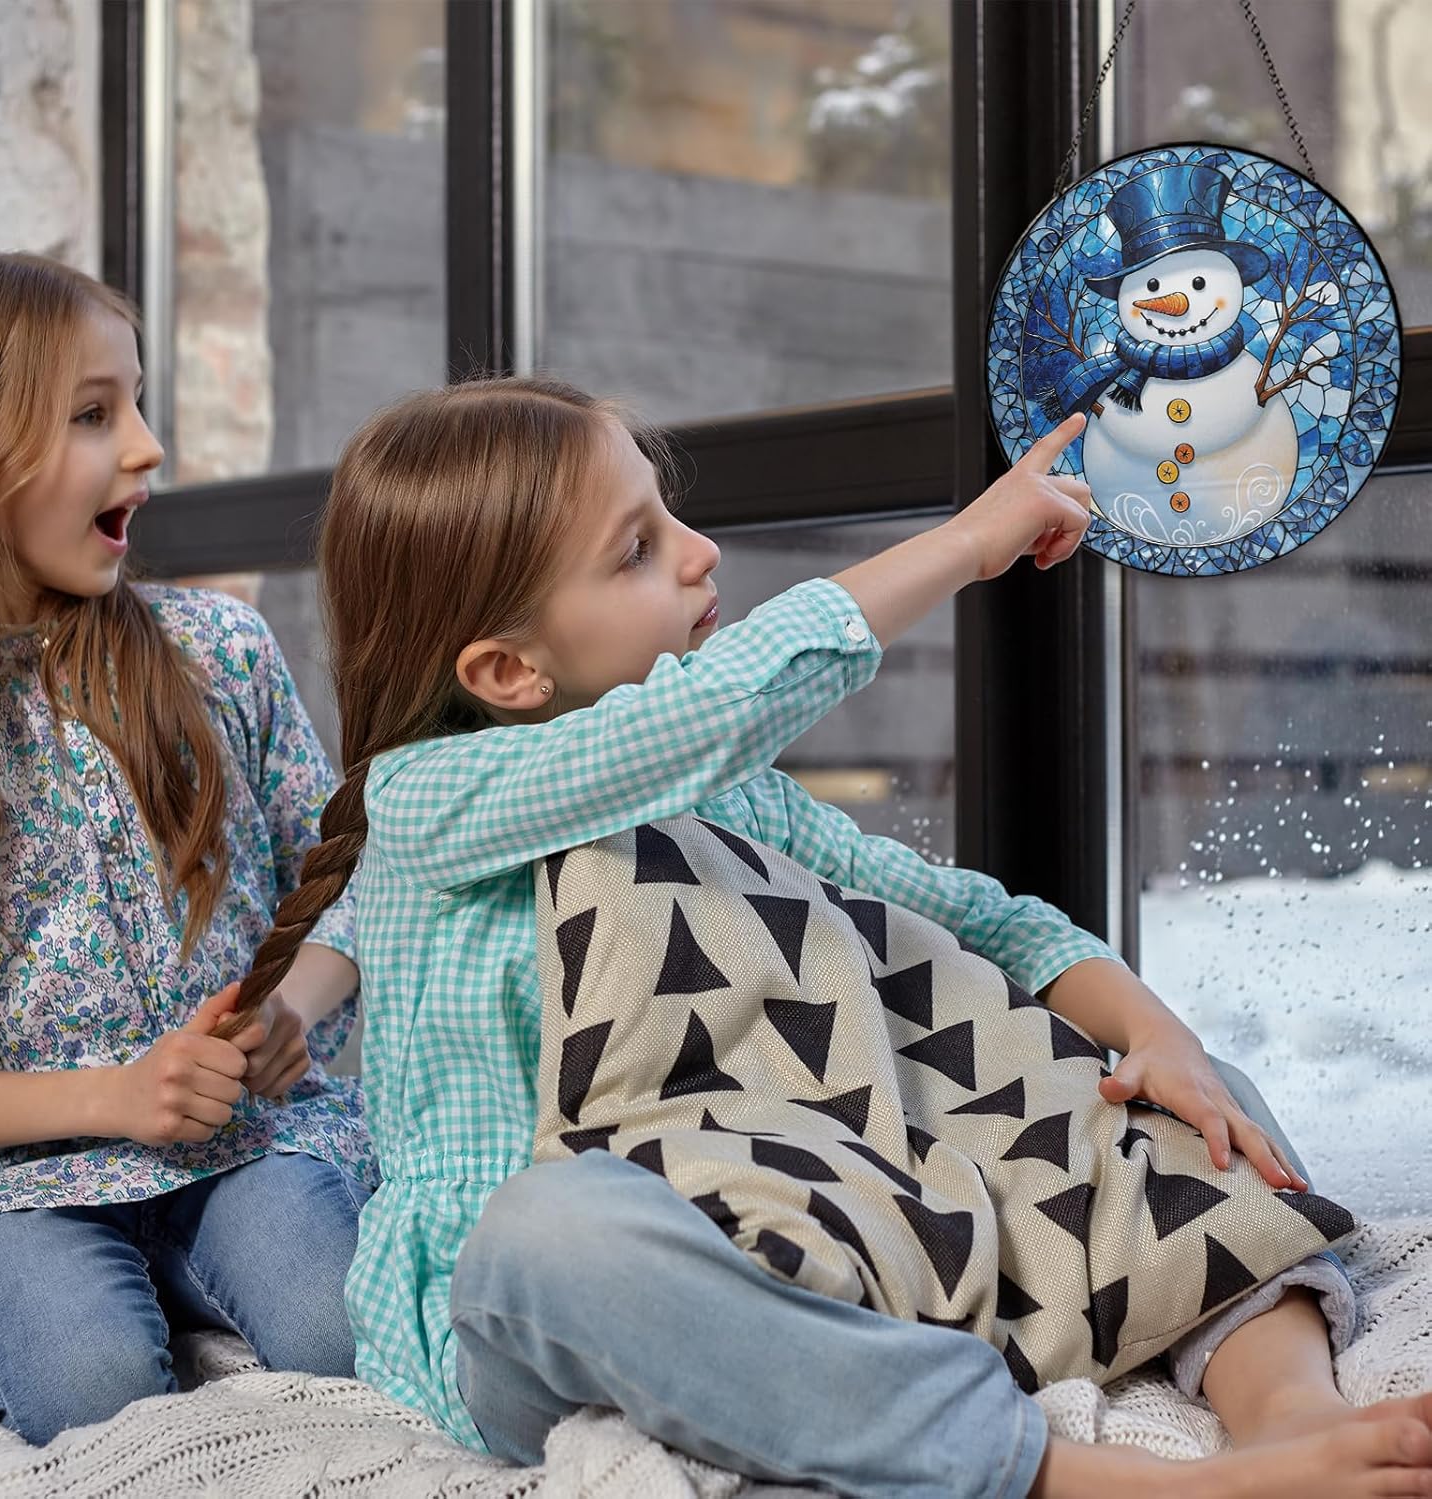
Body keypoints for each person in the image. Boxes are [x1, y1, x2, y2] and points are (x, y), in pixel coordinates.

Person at [235, 376, 1432, 1499]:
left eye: (669, 515)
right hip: (589, 1284)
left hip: (823, 1197)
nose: (700, 553)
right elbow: (711, 708)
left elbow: (984, 919)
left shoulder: (741, 799)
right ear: (506, 670)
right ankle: (1078, 1474)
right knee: (546, 1238)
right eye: (637, 548)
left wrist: (1154, 1033)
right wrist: (965, 545)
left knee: (1192, 1098)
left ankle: (1287, 1404)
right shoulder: (432, 798)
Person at [0, 251, 375, 1446]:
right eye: (93, 414)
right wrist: (113, 1095)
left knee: (338, 1323)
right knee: (85, 1384)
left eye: (136, 400)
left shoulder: (218, 650)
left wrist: (295, 1005)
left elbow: (347, 873)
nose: (148, 446)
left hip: (249, 1137)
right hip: (18, 1177)